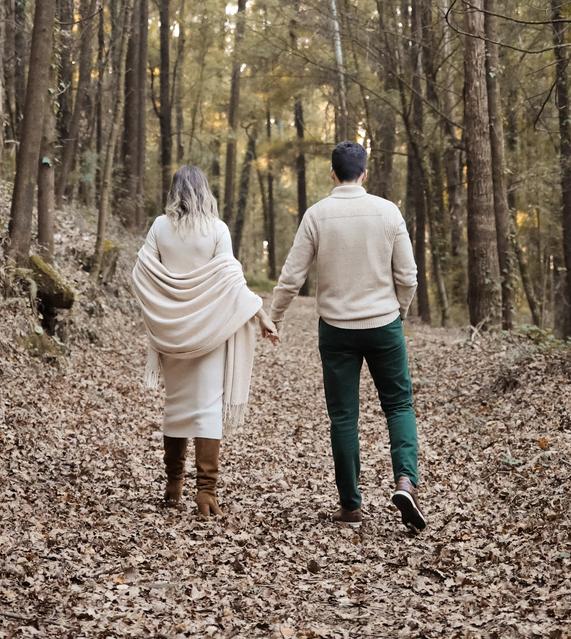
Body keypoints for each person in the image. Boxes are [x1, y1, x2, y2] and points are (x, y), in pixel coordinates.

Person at [270, 139, 425, 531]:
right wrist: (399, 312)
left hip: (336, 330)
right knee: (399, 406)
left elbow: (292, 276)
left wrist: (275, 316)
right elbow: (408, 276)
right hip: (384, 326)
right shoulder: (388, 212)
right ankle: (405, 481)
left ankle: (351, 506)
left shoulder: (317, 215)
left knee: (343, 418)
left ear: (332, 173)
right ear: (365, 173)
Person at [132, 164, 278, 516]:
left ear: (175, 191)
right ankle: (206, 493)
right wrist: (262, 316)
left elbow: (141, 273)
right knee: (208, 408)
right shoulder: (217, 229)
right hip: (210, 332)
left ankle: (173, 487)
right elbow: (232, 282)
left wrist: (161, 309)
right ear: (204, 191)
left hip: (171, 331)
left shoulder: (159, 227)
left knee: (175, 407)